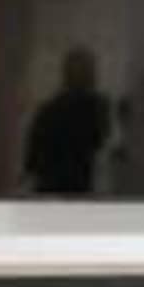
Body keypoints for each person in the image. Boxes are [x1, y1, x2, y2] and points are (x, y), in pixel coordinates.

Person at [20, 46, 113, 196]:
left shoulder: (49, 108)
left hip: (53, 182)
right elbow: (99, 140)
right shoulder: (97, 105)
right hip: (73, 182)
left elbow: (33, 157)